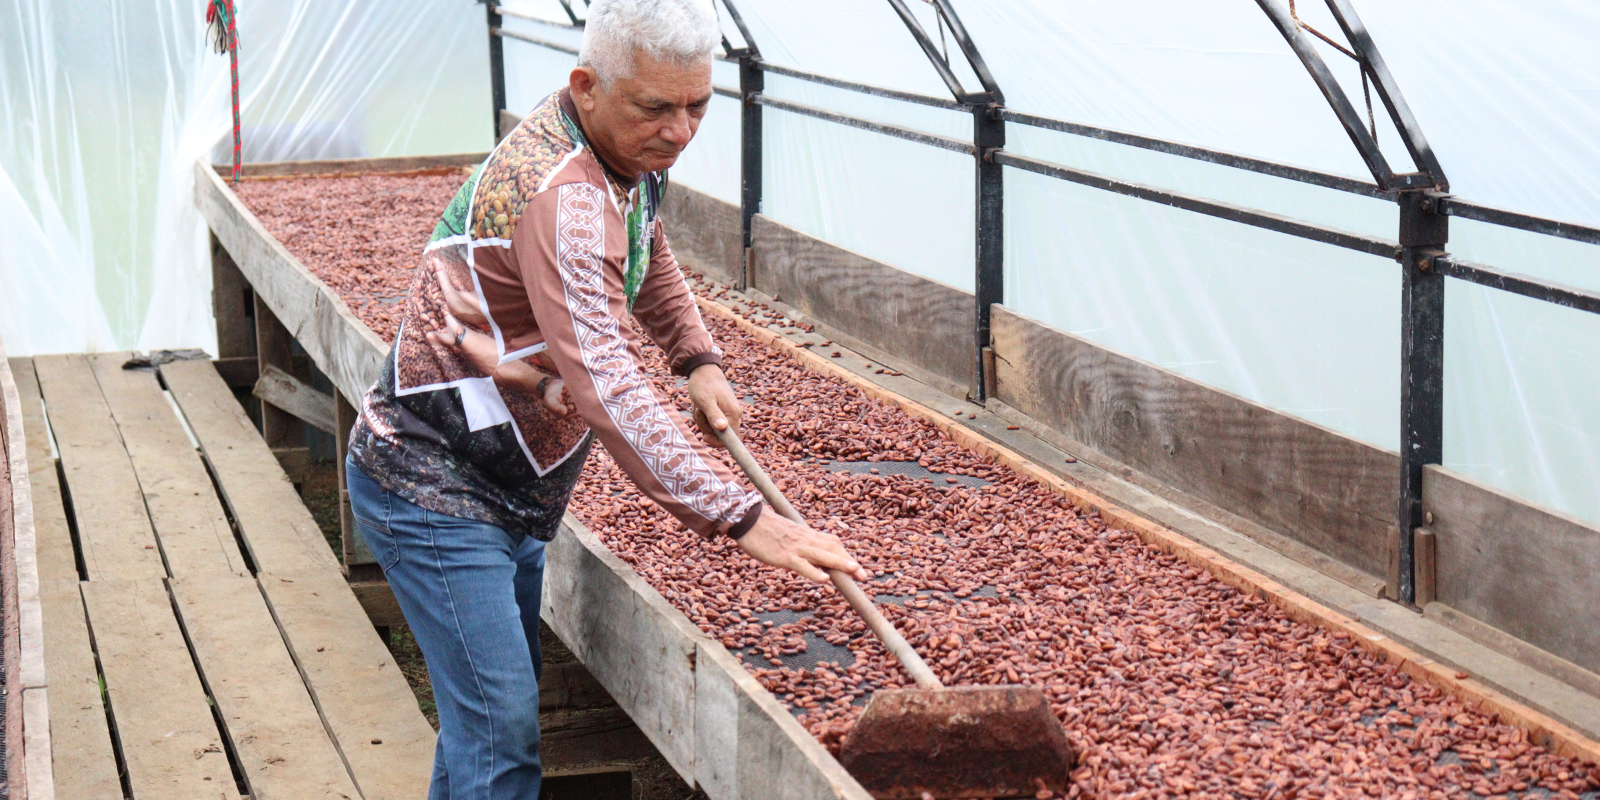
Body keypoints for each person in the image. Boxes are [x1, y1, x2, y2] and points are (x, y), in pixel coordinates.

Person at [342, 0, 866, 797]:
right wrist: (738, 514)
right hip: (432, 481)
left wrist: (695, 358)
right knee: (502, 733)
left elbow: (648, 251)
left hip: (510, 482)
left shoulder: (625, 161)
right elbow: (608, 384)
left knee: (482, 722)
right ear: (586, 86)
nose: (681, 131)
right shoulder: (563, 195)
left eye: (698, 105)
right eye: (656, 107)